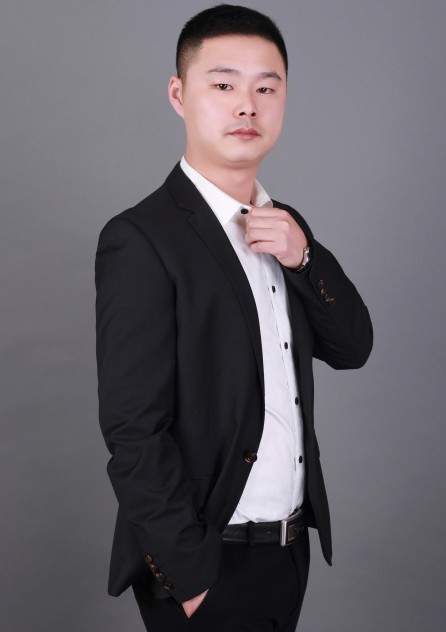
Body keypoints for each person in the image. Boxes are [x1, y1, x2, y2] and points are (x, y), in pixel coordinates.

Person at [95, 4, 373, 631]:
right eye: (223, 85)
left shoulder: (286, 228)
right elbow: (133, 431)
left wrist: (305, 258)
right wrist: (191, 579)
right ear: (179, 94)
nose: (247, 106)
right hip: (206, 562)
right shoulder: (140, 239)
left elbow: (353, 347)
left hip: (289, 549)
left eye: (265, 88)